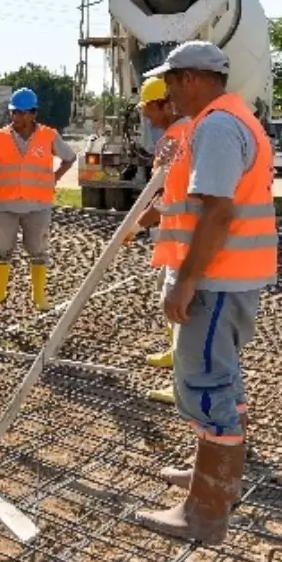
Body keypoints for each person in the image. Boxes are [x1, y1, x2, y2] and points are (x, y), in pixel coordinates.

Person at [134, 41, 276, 544]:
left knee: (208, 386)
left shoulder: (216, 126)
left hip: (215, 281)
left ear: (192, 78)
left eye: (172, 82)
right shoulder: (233, 116)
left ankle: (204, 514)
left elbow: (217, 213)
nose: (168, 92)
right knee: (225, 382)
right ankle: (212, 482)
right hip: (235, 277)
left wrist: (185, 280)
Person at [123, 76, 191, 405]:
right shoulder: (183, 132)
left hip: (185, 243)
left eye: (149, 108)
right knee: (170, 301)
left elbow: (165, 199)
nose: (146, 116)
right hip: (180, 239)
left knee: (179, 308)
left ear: (165, 104)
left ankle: (181, 386)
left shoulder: (175, 140)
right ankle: (175, 354)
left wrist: (134, 228)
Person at [0, 87, 75, 310]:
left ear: (34, 114)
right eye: (15, 113)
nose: (18, 118)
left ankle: (39, 295)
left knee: (38, 250)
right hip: (7, 204)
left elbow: (69, 158)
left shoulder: (49, 136)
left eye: (23, 113)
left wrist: (55, 178)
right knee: (3, 248)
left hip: (38, 205)